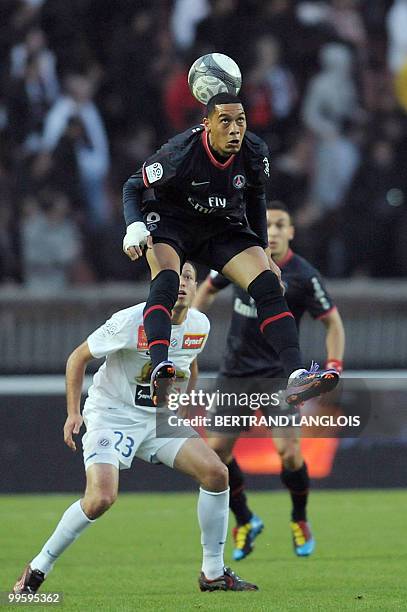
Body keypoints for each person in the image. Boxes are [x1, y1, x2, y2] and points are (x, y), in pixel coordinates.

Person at [13, 262, 258, 594]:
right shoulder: (132, 320)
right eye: (174, 278)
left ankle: (213, 573)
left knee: (217, 473)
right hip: (111, 415)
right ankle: (38, 568)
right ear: (159, 284)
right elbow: (77, 357)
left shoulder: (199, 323)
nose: (182, 284)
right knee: (101, 498)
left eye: (188, 278)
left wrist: (182, 407)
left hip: (158, 420)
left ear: (197, 285)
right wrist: (73, 413)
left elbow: (190, 362)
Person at [122, 91, 339, 406]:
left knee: (268, 284)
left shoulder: (253, 151)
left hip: (221, 227)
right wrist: (134, 227)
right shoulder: (180, 153)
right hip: (174, 224)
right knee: (168, 281)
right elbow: (133, 186)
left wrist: (263, 252)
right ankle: (160, 367)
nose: (235, 129)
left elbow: (255, 196)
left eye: (240, 120)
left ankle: (296, 376)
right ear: (207, 124)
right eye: (225, 121)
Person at [193, 202, 345, 560]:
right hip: (236, 374)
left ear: (291, 232)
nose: (273, 231)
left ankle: (300, 518)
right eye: (268, 224)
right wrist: (189, 333)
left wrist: (334, 364)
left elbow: (333, 322)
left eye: (280, 225)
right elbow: (208, 288)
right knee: (216, 454)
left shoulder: (304, 276)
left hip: (280, 377)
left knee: (289, 454)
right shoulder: (240, 259)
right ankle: (245, 518)